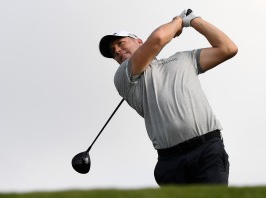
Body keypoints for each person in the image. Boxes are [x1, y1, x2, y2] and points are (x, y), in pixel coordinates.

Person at [99, 9, 238, 186]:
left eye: (121, 43)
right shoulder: (124, 75)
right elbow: (158, 39)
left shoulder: (183, 58)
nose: (117, 51)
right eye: (113, 52)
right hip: (171, 162)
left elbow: (228, 48)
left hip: (207, 150)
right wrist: (178, 21)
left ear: (139, 42)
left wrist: (194, 20)